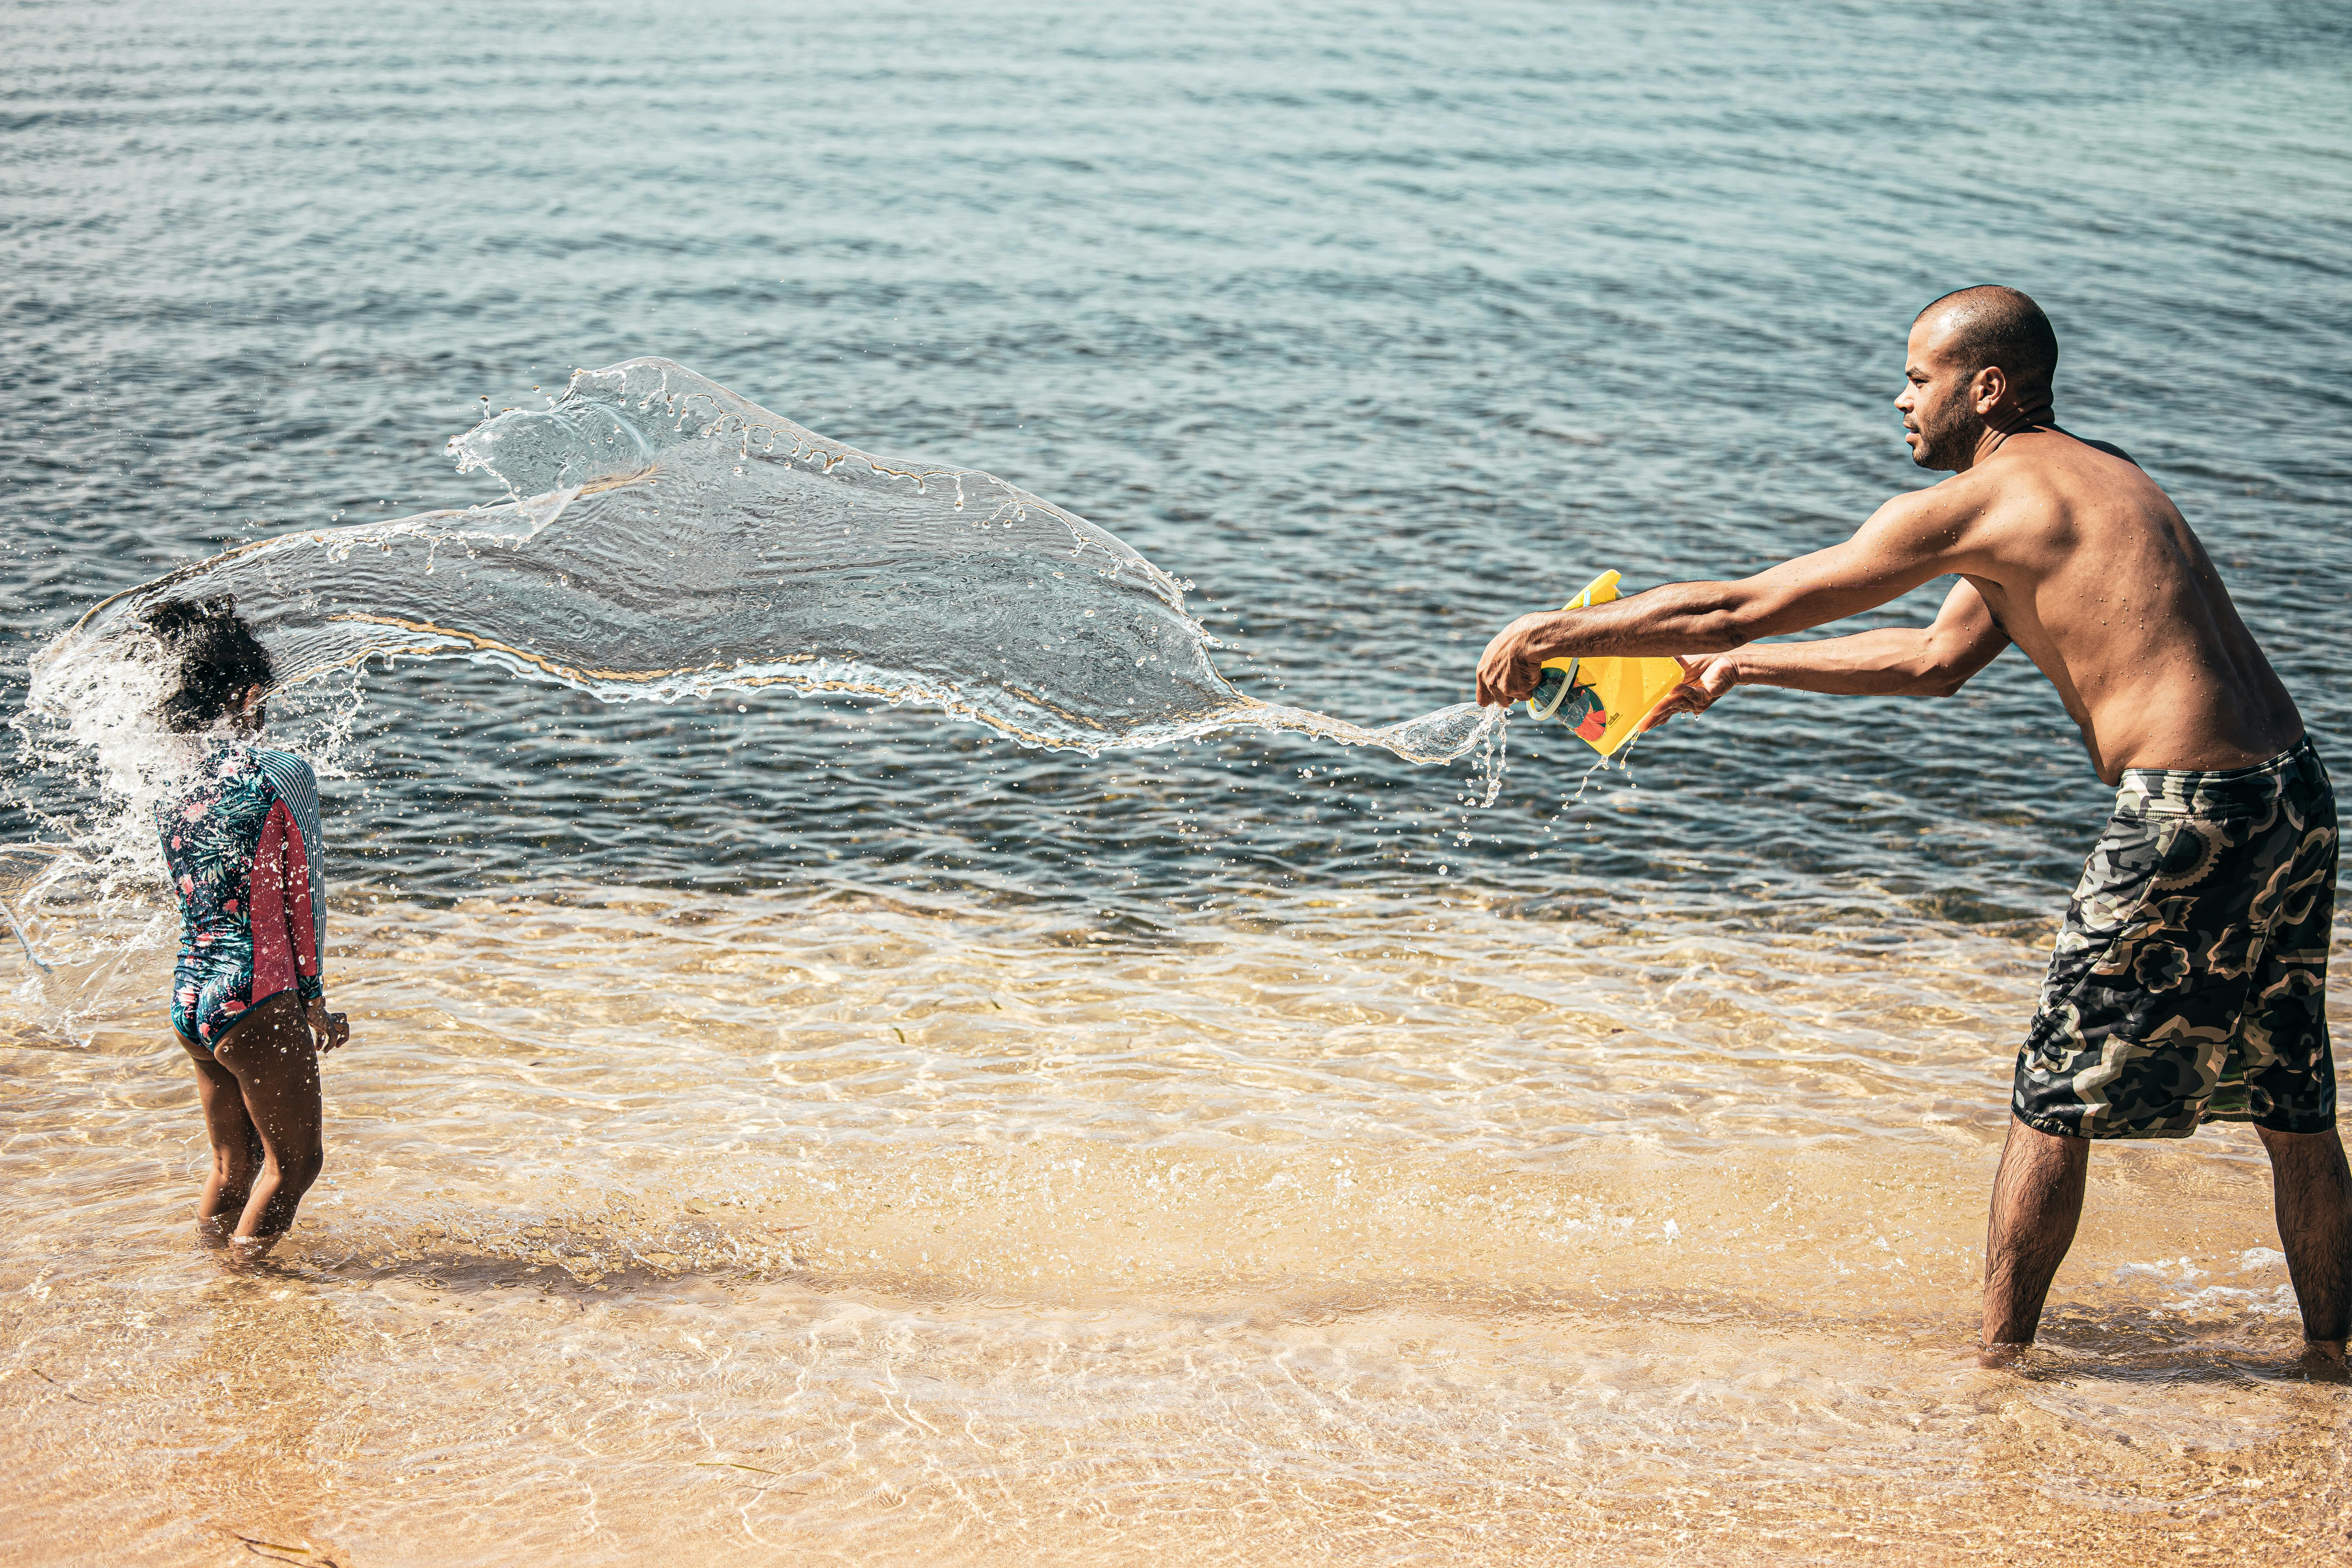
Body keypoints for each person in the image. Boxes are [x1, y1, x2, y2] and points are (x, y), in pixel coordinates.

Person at [1474, 286, 2347, 1371]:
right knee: (2289, 1095)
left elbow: (1744, 600)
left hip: (2188, 813)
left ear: (1987, 387)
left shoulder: (1975, 503)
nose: (1901, 402)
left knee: (2053, 1094)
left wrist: (1560, 632)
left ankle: (1999, 1369)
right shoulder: (2095, 476)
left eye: (1919, 380)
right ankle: (2331, 1359)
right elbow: (1937, 661)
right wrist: (1748, 671)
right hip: (2292, 795)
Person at [144, 596, 350, 1259]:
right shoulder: (282, 773)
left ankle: (206, 1278)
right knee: (296, 1167)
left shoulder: (170, 784)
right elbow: (304, 899)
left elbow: (201, 895)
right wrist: (315, 999)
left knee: (232, 1170)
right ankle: (243, 1293)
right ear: (250, 693)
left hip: (190, 997)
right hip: (256, 998)